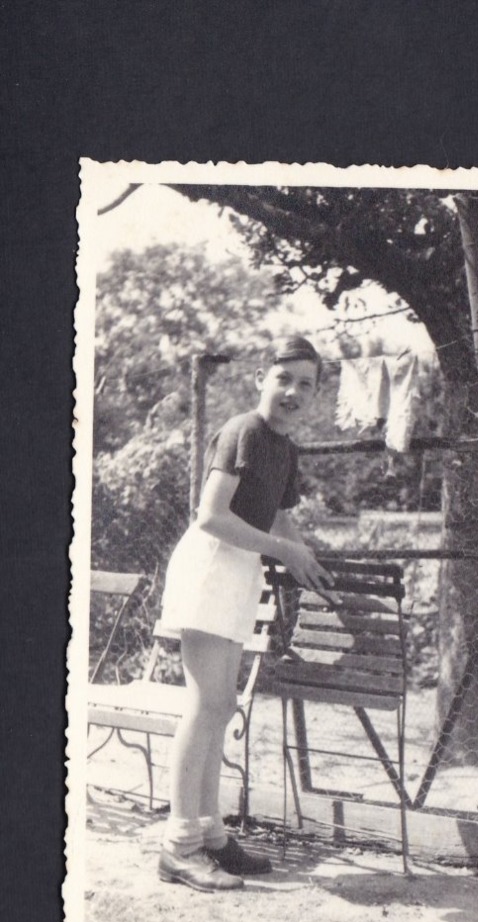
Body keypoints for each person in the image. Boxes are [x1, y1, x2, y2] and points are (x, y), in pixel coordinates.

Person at [157, 336, 333, 892]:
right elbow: (210, 517)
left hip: (240, 575)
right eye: (284, 379)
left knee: (221, 703)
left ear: (316, 394)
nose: (293, 392)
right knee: (207, 704)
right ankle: (178, 846)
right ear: (262, 377)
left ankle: (209, 835)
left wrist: (309, 567)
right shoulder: (243, 431)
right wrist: (284, 551)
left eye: (306, 384)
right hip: (210, 566)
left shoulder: (286, 448)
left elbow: (282, 526)